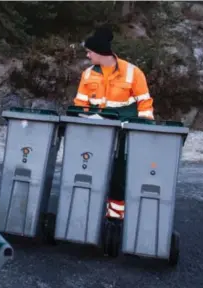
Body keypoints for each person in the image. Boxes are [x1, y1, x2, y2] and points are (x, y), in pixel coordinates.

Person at [74, 27, 155, 221]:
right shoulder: (87, 75)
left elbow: (145, 104)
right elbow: (80, 105)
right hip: (95, 133)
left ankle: (115, 218)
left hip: (123, 133)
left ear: (100, 52)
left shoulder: (133, 73)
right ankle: (90, 212)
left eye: (90, 51)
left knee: (119, 175)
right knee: (90, 172)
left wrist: (143, 132)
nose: (87, 54)